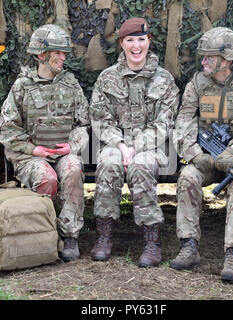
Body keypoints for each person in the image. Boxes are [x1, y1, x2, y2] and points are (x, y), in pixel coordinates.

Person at [171, 27, 233, 282]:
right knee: (188, 177)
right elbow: (184, 120)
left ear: (227, 61)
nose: (203, 62)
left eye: (209, 58)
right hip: (206, 155)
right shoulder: (197, 84)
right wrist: (193, 153)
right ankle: (189, 246)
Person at [89, 17, 179, 267]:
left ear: (149, 41)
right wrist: (119, 145)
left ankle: (152, 241)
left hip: (152, 147)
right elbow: (99, 118)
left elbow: (165, 122)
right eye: (130, 40)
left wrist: (136, 146)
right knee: (108, 163)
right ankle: (104, 237)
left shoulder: (165, 80)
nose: (136, 46)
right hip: (115, 144)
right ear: (122, 44)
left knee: (140, 165)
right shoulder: (107, 79)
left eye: (141, 39)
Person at [0, 24, 90, 263]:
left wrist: (73, 145)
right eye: (57, 53)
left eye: (64, 53)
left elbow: (84, 123)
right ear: (41, 55)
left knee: (72, 170)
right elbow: (7, 129)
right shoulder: (22, 87)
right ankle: (43, 237)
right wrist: (33, 149)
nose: (62, 57)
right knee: (46, 179)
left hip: (62, 152)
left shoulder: (71, 84)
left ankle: (70, 236)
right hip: (32, 156)